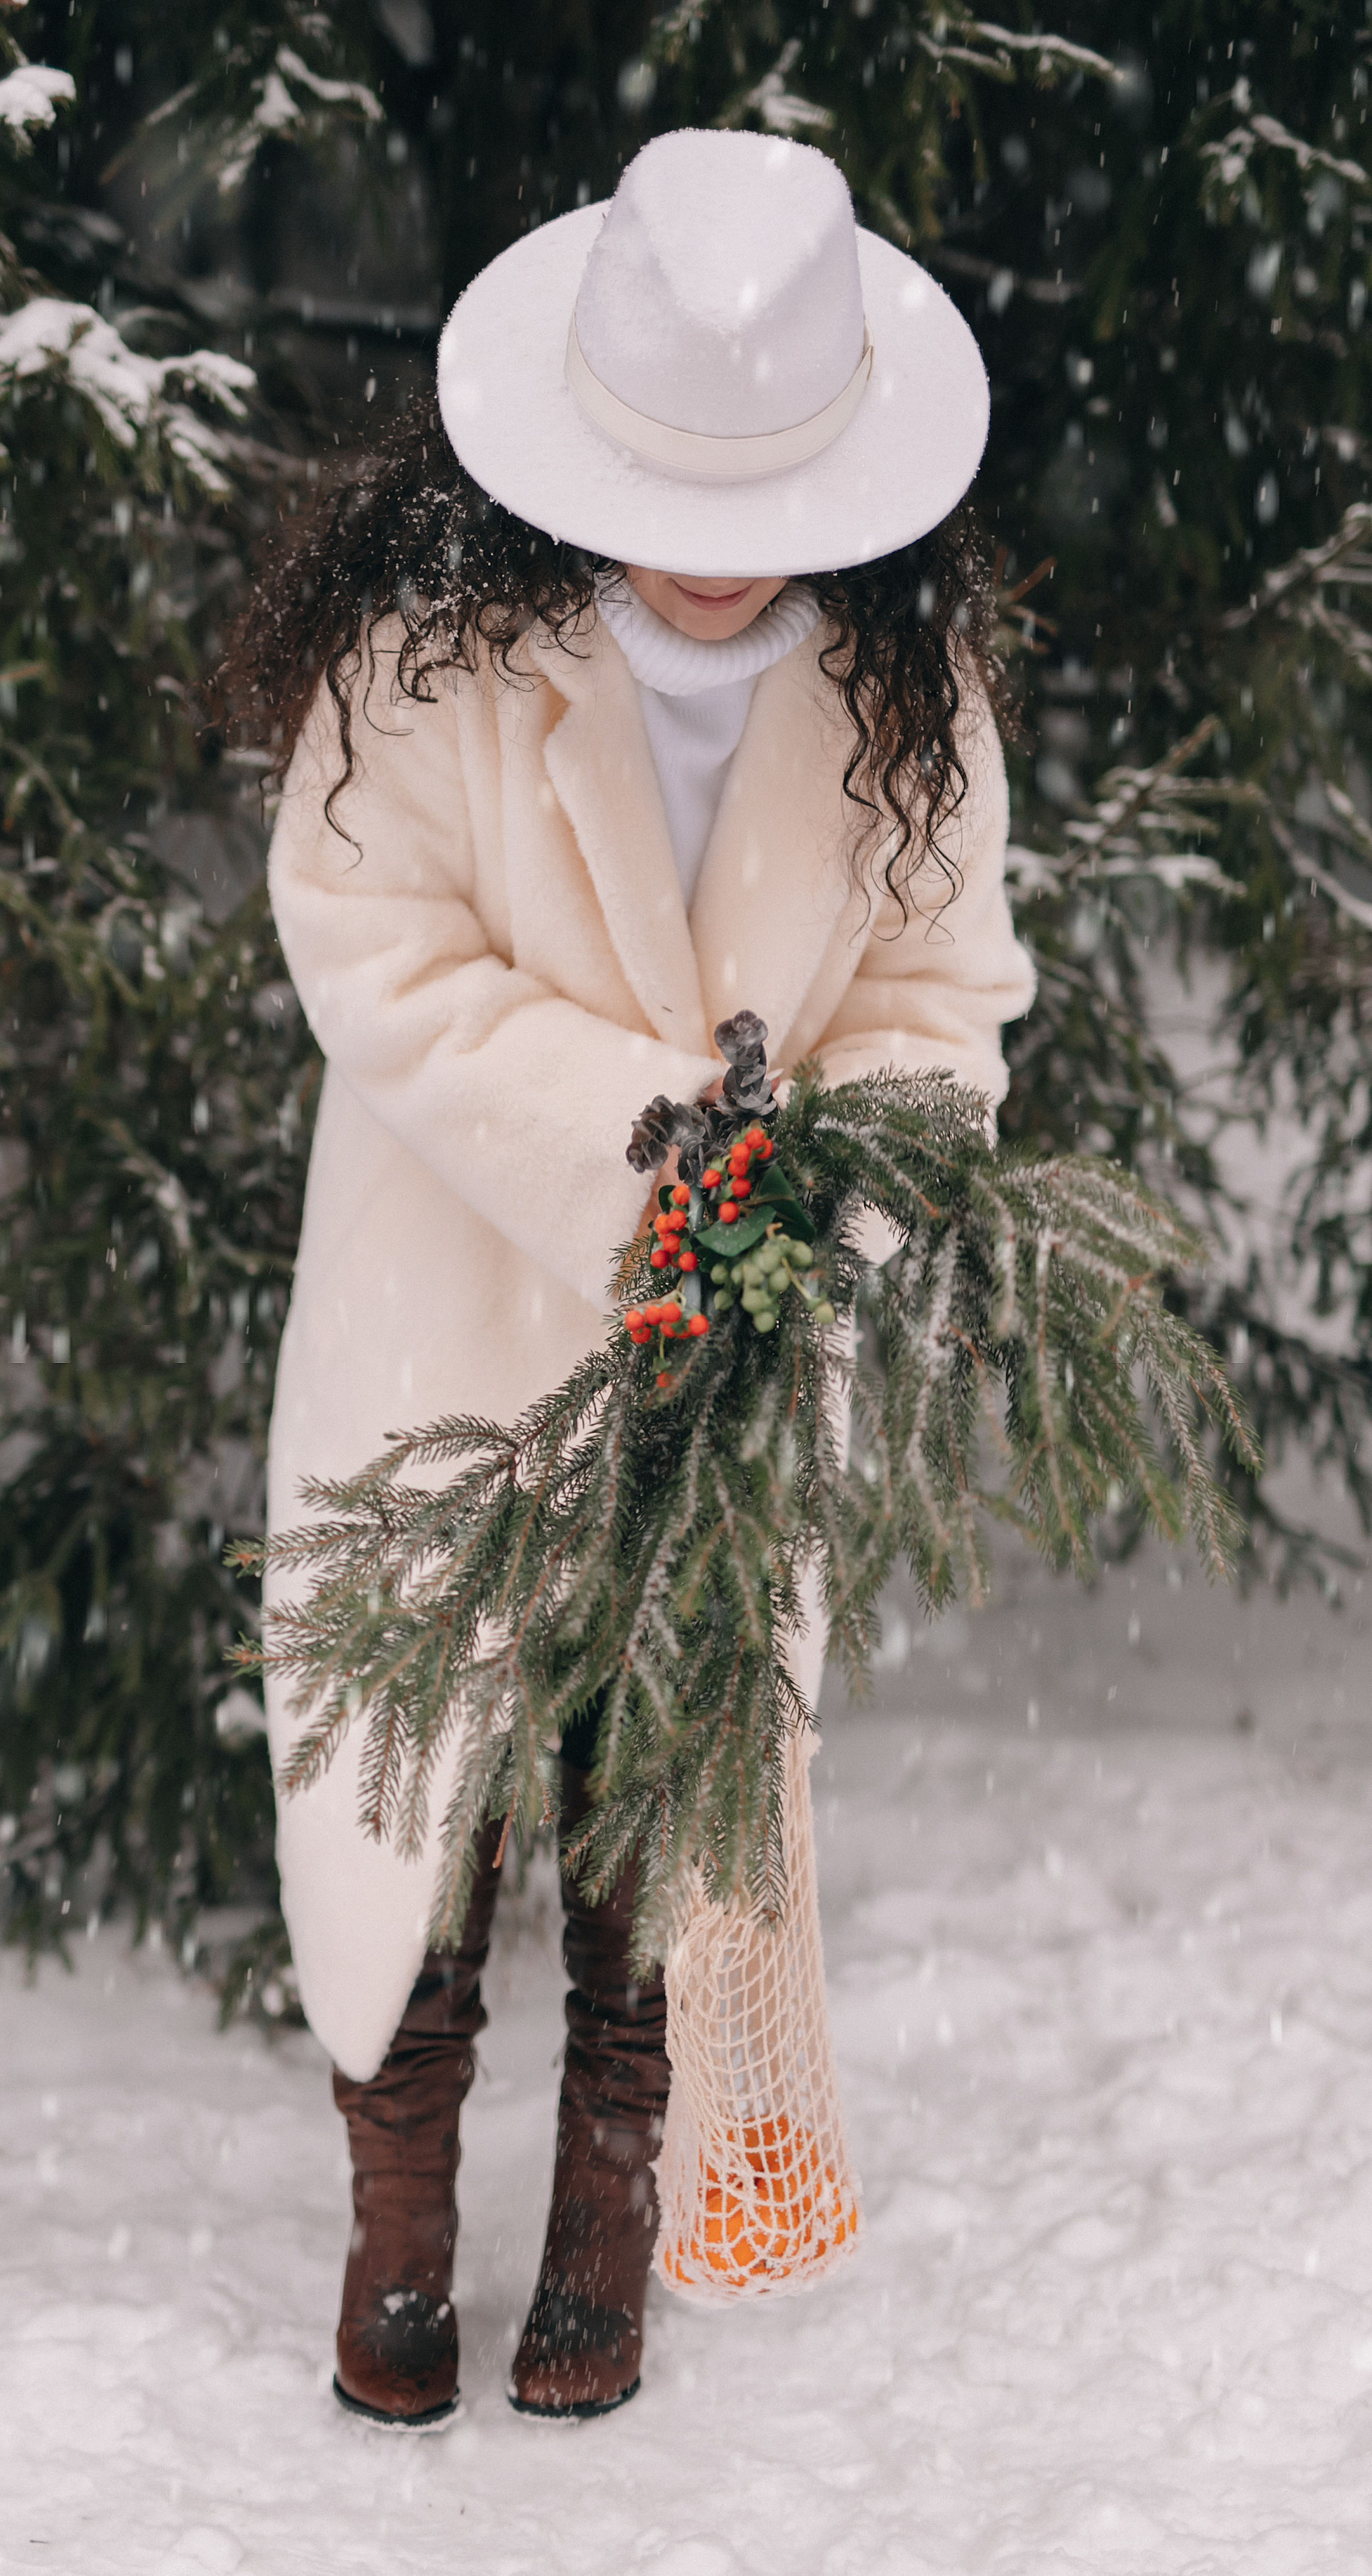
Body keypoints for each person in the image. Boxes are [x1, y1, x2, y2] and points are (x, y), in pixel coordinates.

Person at [223, 129, 1037, 2430]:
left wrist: (821, 1203)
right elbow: (372, 947)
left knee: (656, 1767)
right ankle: (398, 2225)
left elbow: (939, 997)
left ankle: (610, 2208)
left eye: (760, 492)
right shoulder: (428, 655)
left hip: (730, 1349)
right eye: (666, 484)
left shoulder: (911, 694)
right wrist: (659, 1153)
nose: (709, 553)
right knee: (420, 1771)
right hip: (448, 1296)